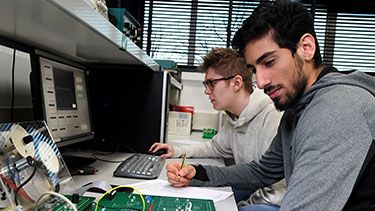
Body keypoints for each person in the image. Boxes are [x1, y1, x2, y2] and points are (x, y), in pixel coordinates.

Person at [166, 1, 375, 211]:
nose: (261, 81)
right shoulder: (296, 110)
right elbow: (262, 172)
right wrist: (198, 173)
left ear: (306, 48)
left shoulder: (337, 108)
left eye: (269, 62)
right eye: (254, 69)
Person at [149, 47, 285, 205]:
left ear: (236, 83)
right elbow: (213, 147)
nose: (207, 91)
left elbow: (277, 189)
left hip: (276, 201)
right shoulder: (235, 117)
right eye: (205, 84)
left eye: (211, 83)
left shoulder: (272, 116)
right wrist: (177, 151)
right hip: (255, 191)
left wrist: (241, 206)